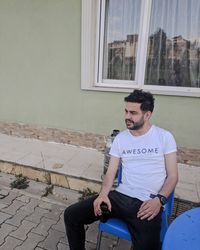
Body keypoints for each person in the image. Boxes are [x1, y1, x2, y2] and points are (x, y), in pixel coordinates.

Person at [64, 89, 178, 250]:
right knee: (71, 215)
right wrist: (103, 194)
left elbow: (173, 176)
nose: (127, 116)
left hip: (147, 203)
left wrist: (159, 200)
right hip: (119, 198)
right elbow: (111, 172)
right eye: (126, 111)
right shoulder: (121, 138)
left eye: (133, 112)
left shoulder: (164, 137)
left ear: (147, 115)